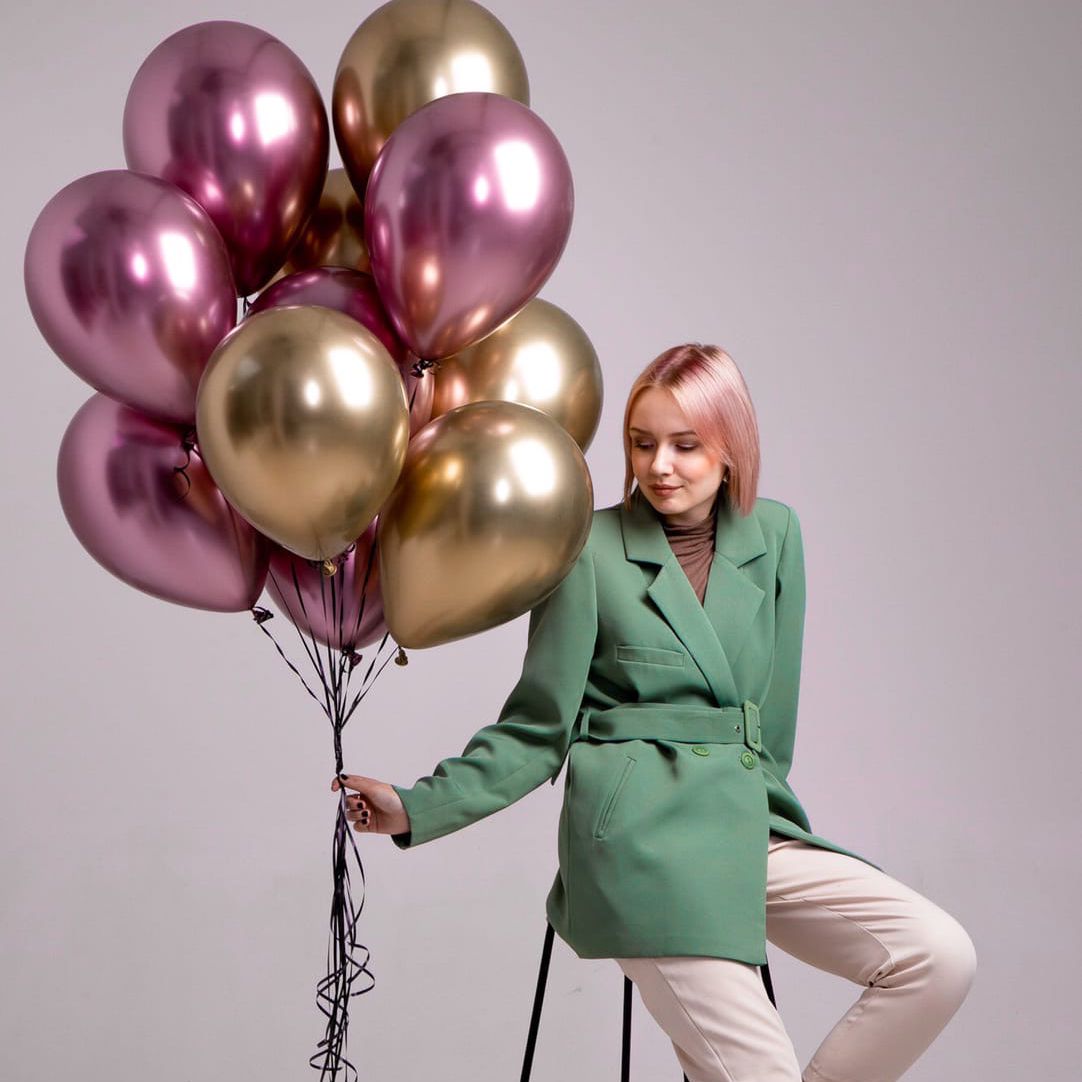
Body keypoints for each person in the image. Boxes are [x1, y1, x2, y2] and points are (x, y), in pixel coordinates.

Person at [331, 344, 977, 1081]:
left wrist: (761, 822)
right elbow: (538, 729)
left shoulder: (776, 537)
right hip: (640, 844)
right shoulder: (587, 547)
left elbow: (771, 727)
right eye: (642, 444)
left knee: (938, 957)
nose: (659, 466)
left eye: (685, 445)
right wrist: (416, 807)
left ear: (732, 448)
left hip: (742, 826)